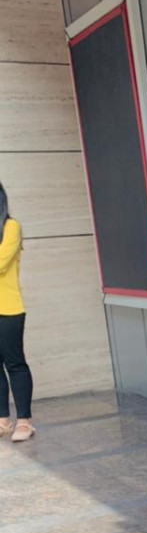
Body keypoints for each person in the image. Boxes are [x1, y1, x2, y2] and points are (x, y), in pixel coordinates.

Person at [0, 184, 34, 443]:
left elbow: (1, 264)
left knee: (15, 363)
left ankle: (24, 421)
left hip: (9, 308)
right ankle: (3, 420)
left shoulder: (12, 227)